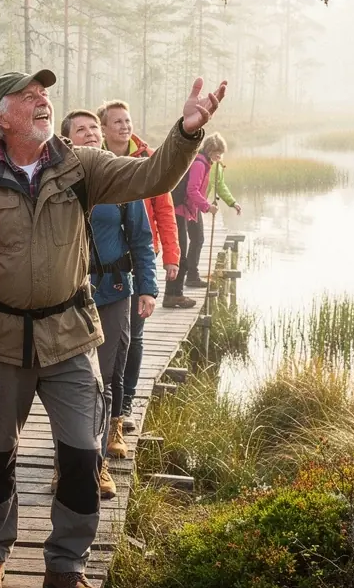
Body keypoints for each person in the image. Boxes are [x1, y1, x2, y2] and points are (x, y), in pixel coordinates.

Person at [0, 69, 226, 588]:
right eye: (28, 97)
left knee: (83, 452)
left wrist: (187, 132)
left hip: (69, 336)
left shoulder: (78, 165)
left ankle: (66, 567)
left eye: (44, 94)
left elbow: (153, 176)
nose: (43, 101)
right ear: (1, 117)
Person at [61, 110, 157, 498]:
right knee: (70, 383)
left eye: (94, 129)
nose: (90, 134)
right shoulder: (57, 178)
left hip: (114, 291)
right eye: (80, 130)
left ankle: (98, 465)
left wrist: (147, 288)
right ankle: (64, 467)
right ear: (66, 138)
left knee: (107, 374)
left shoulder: (118, 177)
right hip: (65, 299)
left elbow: (141, 239)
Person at [98, 100, 189, 430]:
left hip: (140, 257)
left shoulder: (146, 161)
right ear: (104, 128)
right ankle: (102, 405)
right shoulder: (94, 158)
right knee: (107, 339)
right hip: (103, 265)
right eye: (117, 121)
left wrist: (172, 256)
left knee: (133, 336)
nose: (124, 126)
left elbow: (164, 211)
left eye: (128, 120)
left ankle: (125, 405)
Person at [171, 131, 237, 289]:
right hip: (182, 208)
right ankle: (179, 284)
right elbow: (192, 190)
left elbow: (206, 188)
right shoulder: (199, 164)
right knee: (184, 243)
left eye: (221, 153)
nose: (219, 156)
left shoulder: (206, 163)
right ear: (209, 150)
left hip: (191, 208)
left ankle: (192, 276)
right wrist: (207, 207)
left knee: (198, 239)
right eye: (217, 153)